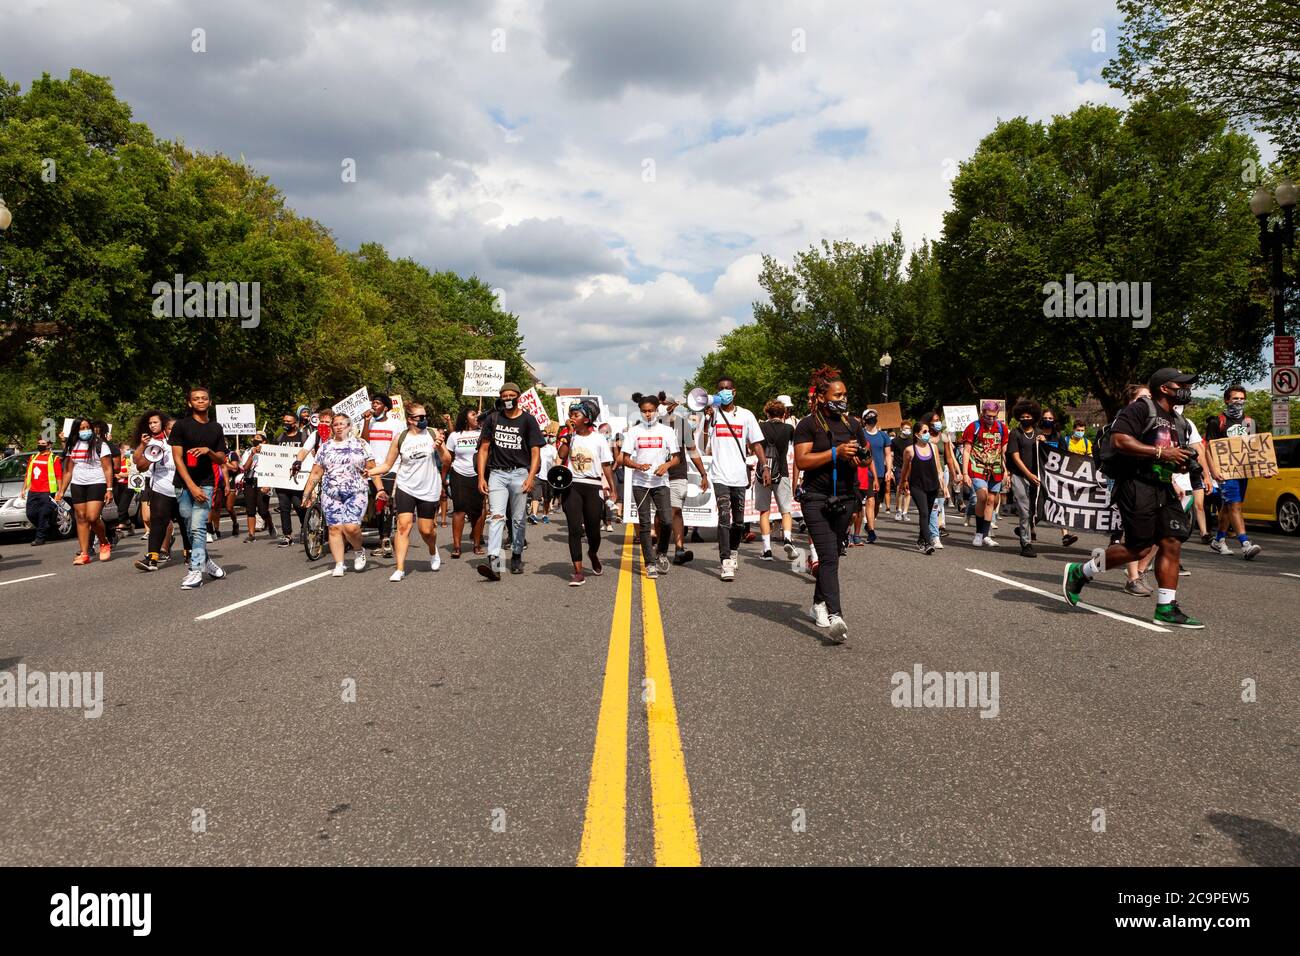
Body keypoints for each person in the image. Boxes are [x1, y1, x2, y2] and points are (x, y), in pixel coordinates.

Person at [1063, 368, 1205, 628]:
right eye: (1181, 385)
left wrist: (1181, 464)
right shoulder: (1141, 409)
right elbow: (1119, 441)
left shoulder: (1179, 422)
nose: (1187, 390)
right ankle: (1080, 572)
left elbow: (1172, 456)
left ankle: (1166, 606)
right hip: (1135, 484)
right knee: (1138, 548)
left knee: (1172, 541)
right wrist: (1162, 454)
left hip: (1164, 487)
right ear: (1164, 387)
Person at [792, 367, 861, 642]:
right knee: (829, 556)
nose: (843, 398)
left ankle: (818, 603)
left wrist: (862, 457)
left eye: (845, 394)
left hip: (845, 497)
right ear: (822, 396)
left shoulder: (851, 424)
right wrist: (835, 452)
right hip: (816, 498)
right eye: (837, 394)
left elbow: (864, 458)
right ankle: (836, 616)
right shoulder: (808, 425)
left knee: (835, 553)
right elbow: (802, 461)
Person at [366, 402, 451, 582]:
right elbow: (388, 465)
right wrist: (370, 472)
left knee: (426, 530)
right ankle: (400, 568)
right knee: (404, 526)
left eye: (425, 416)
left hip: (428, 487)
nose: (424, 420)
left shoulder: (433, 433)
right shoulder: (400, 438)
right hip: (406, 486)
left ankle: (432, 550)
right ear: (411, 420)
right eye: (421, 418)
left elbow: (447, 461)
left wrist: (440, 447)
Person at [701, 375, 768, 581]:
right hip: (719, 475)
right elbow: (704, 443)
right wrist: (707, 420)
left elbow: (756, 443)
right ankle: (726, 561)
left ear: (734, 391)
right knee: (724, 518)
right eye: (720, 388)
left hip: (739, 476)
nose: (724, 391)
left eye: (727, 388)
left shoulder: (746, 415)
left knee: (739, 522)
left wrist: (764, 466)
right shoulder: (713, 415)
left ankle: (734, 549)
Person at [476, 383, 544, 581]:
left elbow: (535, 451)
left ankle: (516, 555)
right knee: (496, 516)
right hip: (497, 473)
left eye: (511, 395)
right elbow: (484, 449)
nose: (507, 398)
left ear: (518, 397)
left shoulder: (528, 420)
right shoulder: (493, 418)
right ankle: (495, 561)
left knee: (517, 519)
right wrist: (481, 476)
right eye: (504, 395)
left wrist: (531, 477)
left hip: (520, 474)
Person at [301, 413, 376, 577]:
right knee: (334, 528)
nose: (339, 427)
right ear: (332, 428)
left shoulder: (361, 444)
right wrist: (306, 493)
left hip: (356, 491)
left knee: (351, 527)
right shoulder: (325, 447)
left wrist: (380, 488)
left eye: (342, 424)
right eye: (336, 424)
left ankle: (358, 550)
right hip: (331, 492)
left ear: (349, 426)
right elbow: (316, 472)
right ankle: (339, 563)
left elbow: (372, 468)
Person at [169, 386, 229, 589]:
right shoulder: (181, 426)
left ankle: (195, 572)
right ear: (189, 403)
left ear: (210, 402)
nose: (201, 401)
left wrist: (208, 451)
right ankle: (206, 561)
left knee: (198, 526)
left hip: (206, 482)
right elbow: (177, 459)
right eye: (196, 398)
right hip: (184, 483)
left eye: (204, 398)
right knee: (190, 529)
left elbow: (221, 458)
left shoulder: (216, 428)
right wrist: (191, 486)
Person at [621, 393, 681, 578]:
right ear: (640, 412)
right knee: (645, 524)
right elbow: (624, 458)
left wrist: (666, 465)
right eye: (644, 411)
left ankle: (662, 552)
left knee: (667, 521)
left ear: (657, 411)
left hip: (661, 483)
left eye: (651, 411)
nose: (648, 414)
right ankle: (650, 563)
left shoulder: (667, 432)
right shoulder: (634, 432)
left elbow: (677, 457)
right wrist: (638, 466)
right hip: (640, 484)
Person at [558, 400, 616, 586]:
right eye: (571, 415)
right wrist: (567, 435)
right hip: (572, 486)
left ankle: (592, 552)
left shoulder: (598, 439)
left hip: (593, 487)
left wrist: (613, 489)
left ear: (588, 418)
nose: (572, 418)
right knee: (575, 529)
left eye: (577, 415)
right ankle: (578, 571)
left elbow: (606, 465)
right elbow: (562, 454)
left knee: (593, 531)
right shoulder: (571, 436)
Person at [1204, 384, 1262, 559]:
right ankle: (1245, 543)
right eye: (1235, 398)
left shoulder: (1250, 423)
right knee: (1235, 505)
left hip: (1243, 471)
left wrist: (1262, 467)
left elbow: (1255, 448)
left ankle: (1219, 540)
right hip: (1225, 472)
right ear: (1227, 400)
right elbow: (1208, 449)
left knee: (1228, 507)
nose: (1239, 402)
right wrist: (1213, 472)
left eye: (1242, 399)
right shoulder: (1217, 422)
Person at [659, 394, 709, 565]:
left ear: (673, 405)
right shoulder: (650, 424)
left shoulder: (682, 424)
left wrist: (703, 473)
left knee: (675, 510)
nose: (664, 406)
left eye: (666, 403)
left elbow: (692, 449)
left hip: (677, 473)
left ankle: (679, 549)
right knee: (662, 514)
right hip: (657, 475)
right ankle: (661, 549)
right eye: (661, 403)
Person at [57, 416, 115, 565]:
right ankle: (84, 553)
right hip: (78, 484)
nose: (85, 431)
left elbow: (108, 468)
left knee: (92, 517)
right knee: (81, 518)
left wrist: (109, 489)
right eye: (81, 428)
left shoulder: (100, 445)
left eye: (87, 427)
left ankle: (103, 542)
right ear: (76, 430)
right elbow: (68, 471)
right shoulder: (72, 446)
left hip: (97, 482)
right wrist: (61, 490)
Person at [134, 416, 184, 571]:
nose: (173, 431)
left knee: (185, 522)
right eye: (170, 428)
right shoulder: (157, 444)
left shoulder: (187, 443)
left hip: (184, 488)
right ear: (165, 429)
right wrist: (149, 454)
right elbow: (140, 466)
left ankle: (189, 554)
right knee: (157, 521)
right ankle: (152, 558)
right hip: (161, 488)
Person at [753, 398, 799, 559]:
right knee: (786, 510)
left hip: (762, 472)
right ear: (784, 413)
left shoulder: (761, 427)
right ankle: (787, 537)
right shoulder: (788, 428)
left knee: (764, 511)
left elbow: (753, 446)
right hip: (782, 472)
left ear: (767, 412)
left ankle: (767, 550)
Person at [961, 400, 1008, 547]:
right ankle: (979, 533)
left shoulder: (1002, 428)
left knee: (991, 501)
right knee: (982, 496)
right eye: (988, 416)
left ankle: (985, 535)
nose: (991, 419)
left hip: (996, 469)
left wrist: (1007, 470)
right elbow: (967, 451)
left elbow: (1004, 450)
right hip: (977, 468)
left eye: (994, 416)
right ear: (982, 413)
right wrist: (965, 473)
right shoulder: (973, 427)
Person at [361, 394, 401, 557]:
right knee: (376, 507)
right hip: (372, 470)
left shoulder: (396, 424)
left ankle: (385, 539)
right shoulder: (369, 423)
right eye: (373, 403)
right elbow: (364, 442)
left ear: (386, 407)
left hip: (390, 469)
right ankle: (383, 536)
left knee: (383, 501)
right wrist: (365, 422)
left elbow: (401, 445)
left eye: (377, 403)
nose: (374, 406)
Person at [1037, 409, 1080, 550]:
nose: (1047, 420)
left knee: (1058, 504)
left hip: (1055, 477)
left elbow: (1064, 455)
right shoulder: (1036, 434)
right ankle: (1029, 529)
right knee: (1039, 504)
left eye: (1050, 418)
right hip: (1038, 475)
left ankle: (1065, 535)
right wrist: (1039, 442)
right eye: (1045, 417)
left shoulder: (1058, 437)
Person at [445, 409, 485, 558]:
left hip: (478, 475)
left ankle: (476, 544)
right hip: (459, 475)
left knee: (478, 510)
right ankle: (456, 546)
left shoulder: (483, 433)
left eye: (477, 414)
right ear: (465, 418)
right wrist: (445, 477)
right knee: (459, 509)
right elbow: (449, 458)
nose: (476, 416)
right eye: (473, 414)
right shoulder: (455, 436)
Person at [273, 410, 316, 547]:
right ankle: (287, 535)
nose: (285, 424)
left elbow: (309, 455)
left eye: (288, 422)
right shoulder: (279, 438)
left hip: (299, 480)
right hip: (282, 480)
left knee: (299, 505)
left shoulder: (302, 437)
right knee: (284, 508)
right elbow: (272, 457)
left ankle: (306, 529)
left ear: (295, 424)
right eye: (284, 421)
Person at [899, 417, 941, 553]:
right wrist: (902, 483)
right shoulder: (909, 450)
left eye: (928, 431)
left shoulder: (933, 447)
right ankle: (928, 543)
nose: (927, 433)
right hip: (917, 486)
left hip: (933, 485)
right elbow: (905, 469)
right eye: (924, 431)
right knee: (923, 513)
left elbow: (938, 467)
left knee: (928, 514)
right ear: (917, 434)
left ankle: (920, 539)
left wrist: (944, 486)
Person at [1007, 400, 1043, 558]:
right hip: (1020, 476)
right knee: (1024, 510)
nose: (1025, 418)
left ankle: (1024, 529)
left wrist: (1044, 443)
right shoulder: (1015, 433)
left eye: (1028, 416)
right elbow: (1015, 457)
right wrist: (1028, 474)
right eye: (1022, 416)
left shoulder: (1038, 433)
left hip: (1038, 478)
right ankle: (1026, 543)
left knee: (1037, 511)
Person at [859, 408, 892, 544]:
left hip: (880, 472)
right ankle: (871, 531)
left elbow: (888, 454)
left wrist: (888, 471)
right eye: (869, 416)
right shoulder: (861, 435)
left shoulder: (883, 436)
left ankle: (869, 524)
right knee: (870, 500)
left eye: (874, 415)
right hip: (866, 472)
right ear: (864, 419)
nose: (872, 417)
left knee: (878, 502)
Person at [23, 437, 62, 546]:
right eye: (39, 443)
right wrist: (23, 489)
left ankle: (40, 538)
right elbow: (28, 474)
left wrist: (60, 491)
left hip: (47, 491)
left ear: (49, 445)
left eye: (43, 443)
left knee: (43, 514)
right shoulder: (33, 457)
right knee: (30, 514)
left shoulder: (54, 458)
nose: (40, 445)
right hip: (33, 490)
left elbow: (59, 476)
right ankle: (45, 527)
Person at [238, 433, 274, 542]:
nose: (255, 440)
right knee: (250, 510)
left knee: (263, 510)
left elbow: (272, 469)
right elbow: (245, 467)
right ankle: (251, 535)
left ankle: (270, 524)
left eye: (258, 438)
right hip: (249, 481)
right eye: (254, 438)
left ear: (264, 441)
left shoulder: (270, 452)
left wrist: (268, 484)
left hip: (263, 481)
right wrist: (251, 455)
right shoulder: (248, 451)